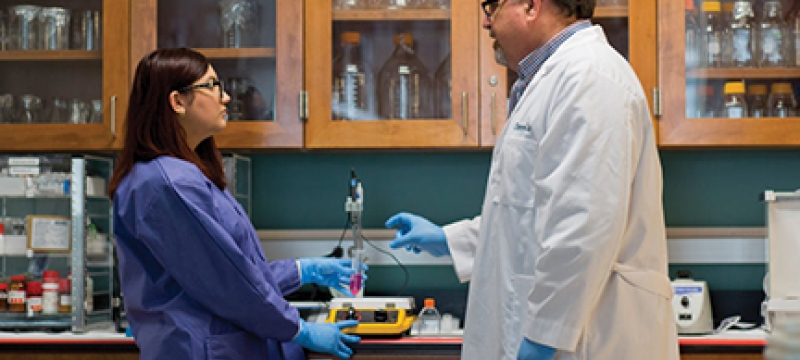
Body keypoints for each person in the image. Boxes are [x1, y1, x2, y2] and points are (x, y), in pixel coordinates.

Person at [385, 1, 679, 359]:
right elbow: (532, 215)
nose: (484, 20)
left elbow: (583, 224)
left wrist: (544, 337)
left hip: (588, 341)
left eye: (491, 6)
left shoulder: (590, 77)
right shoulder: (554, 80)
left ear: (530, 5)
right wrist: (450, 240)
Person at [108, 48, 361, 360]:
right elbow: (230, 284)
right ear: (177, 102)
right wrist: (299, 330)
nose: (225, 97)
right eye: (213, 86)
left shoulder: (182, 176)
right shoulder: (168, 184)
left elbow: (236, 270)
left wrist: (301, 270)